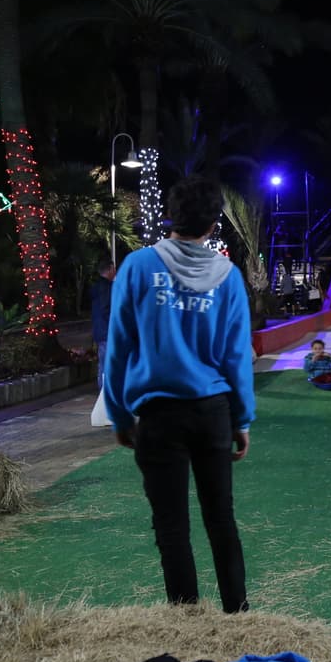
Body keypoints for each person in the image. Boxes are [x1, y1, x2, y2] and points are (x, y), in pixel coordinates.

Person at [103, 174, 254, 613]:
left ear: (172, 216)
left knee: (171, 526)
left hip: (156, 413)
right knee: (220, 519)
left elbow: (119, 346)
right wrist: (241, 419)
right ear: (212, 225)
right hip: (212, 411)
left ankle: (186, 620)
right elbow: (235, 357)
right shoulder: (227, 277)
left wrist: (118, 413)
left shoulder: (137, 266)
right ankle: (237, 613)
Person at [91, 257, 116, 389]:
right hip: (108, 331)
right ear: (111, 269)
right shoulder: (109, 288)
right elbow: (107, 308)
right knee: (108, 364)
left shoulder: (95, 287)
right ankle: (106, 393)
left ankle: (103, 390)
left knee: (103, 364)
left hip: (99, 331)